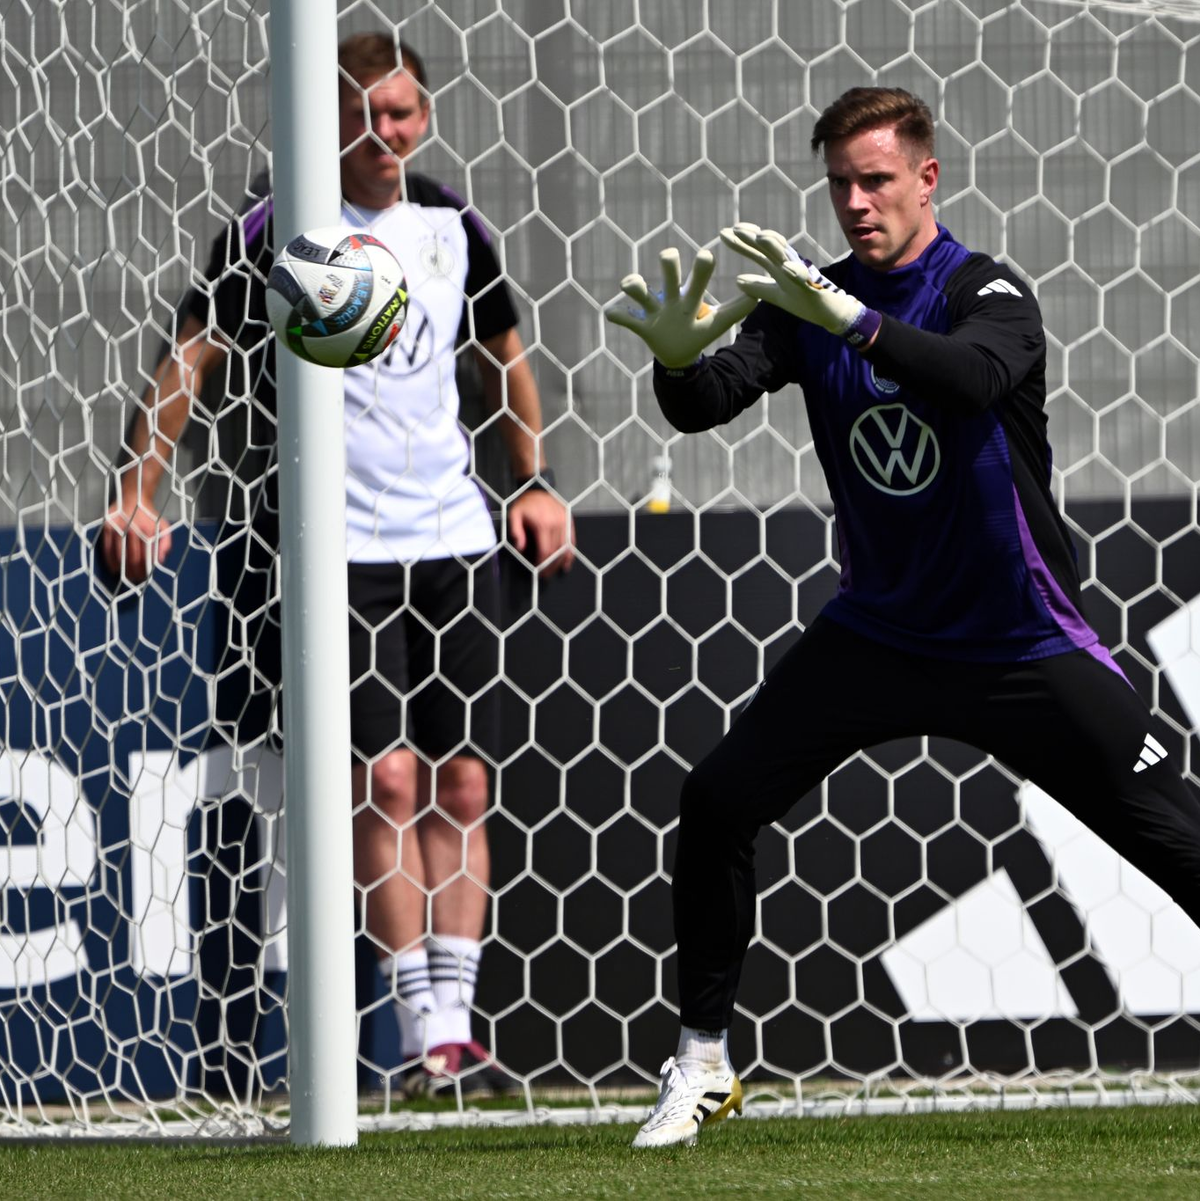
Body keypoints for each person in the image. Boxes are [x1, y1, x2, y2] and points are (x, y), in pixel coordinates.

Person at [606, 85, 1200, 1148]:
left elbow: (971, 379)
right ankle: (701, 1064)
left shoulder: (987, 290)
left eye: (875, 180)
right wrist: (677, 361)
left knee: (1176, 836)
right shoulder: (808, 298)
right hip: (879, 633)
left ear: (927, 178)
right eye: (840, 183)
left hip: (1019, 639)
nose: (854, 202)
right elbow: (705, 405)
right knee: (718, 800)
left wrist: (849, 320)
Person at [102, 31, 573, 1098]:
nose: (381, 132)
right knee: (386, 778)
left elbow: (504, 358)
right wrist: (137, 488)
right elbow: (190, 357)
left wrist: (536, 480)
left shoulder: (452, 225)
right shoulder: (281, 228)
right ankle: (420, 1036)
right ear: (327, 121)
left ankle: (456, 1034)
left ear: (424, 117)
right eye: (361, 114)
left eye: (399, 112)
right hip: (339, 552)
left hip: (454, 539)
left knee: (463, 782)